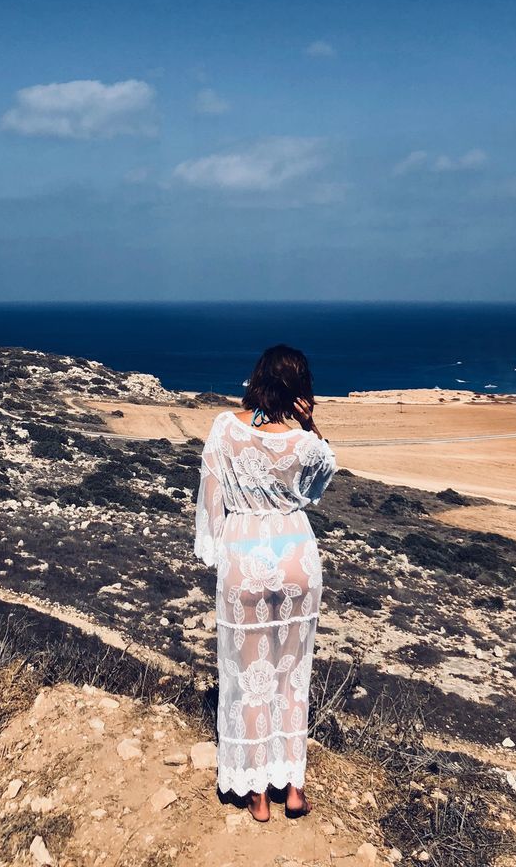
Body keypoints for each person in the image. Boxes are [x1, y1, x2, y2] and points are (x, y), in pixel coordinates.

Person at [193, 343, 338, 822]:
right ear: (299, 390)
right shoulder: (305, 444)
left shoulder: (224, 427)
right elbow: (320, 483)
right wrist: (310, 423)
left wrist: (215, 550)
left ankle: (257, 796)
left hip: (244, 554)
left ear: (258, 379)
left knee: (248, 677)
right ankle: (293, 787)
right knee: (292, 675)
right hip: (296, 554)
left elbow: (211, 494)